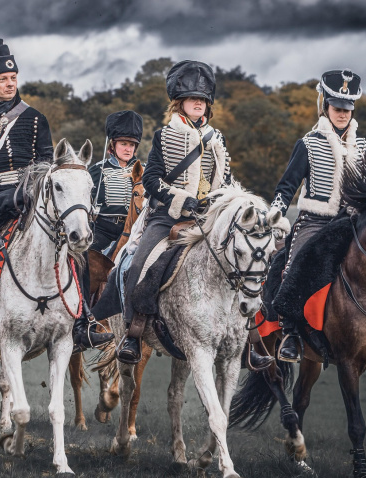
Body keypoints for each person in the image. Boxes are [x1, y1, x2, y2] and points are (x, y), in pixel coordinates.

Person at [0, 38, 112, 356]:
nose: (10, 83)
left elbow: (45, 162)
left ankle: (83, 321)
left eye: (13, 77)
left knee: (77, 246)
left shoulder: (34, 118)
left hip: (29, 198)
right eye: (3, 79)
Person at [115, 60, 238, 364]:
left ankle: (251, 340)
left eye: (203, 99)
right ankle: (133, 332)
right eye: (192, 98)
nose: (199, 102)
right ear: (179, 102)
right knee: (138, 264)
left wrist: (226, 202)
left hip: (209, 217)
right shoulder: (163, 135)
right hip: (168, 216)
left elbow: (227, 179)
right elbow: (151, 180)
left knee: (246, 259)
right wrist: (182, 199)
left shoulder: (218, 139)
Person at [270, 69, 366, 362]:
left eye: (347, 108)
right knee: (296, 265)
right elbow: (287, 186)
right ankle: (290, 333)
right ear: (326, 106)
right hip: (315, 221)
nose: (342, 113)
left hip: (351, 222)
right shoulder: (308, 143)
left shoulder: (363, 147)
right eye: (337, 107)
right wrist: (275, 214)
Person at [88, 110, 143, 255]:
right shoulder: (97, 170)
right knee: (87, 257)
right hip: (103, 230)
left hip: (134, 229)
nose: (128, 149)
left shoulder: (144, 170)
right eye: (123, 144)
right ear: (113, 145)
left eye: (132, 145)